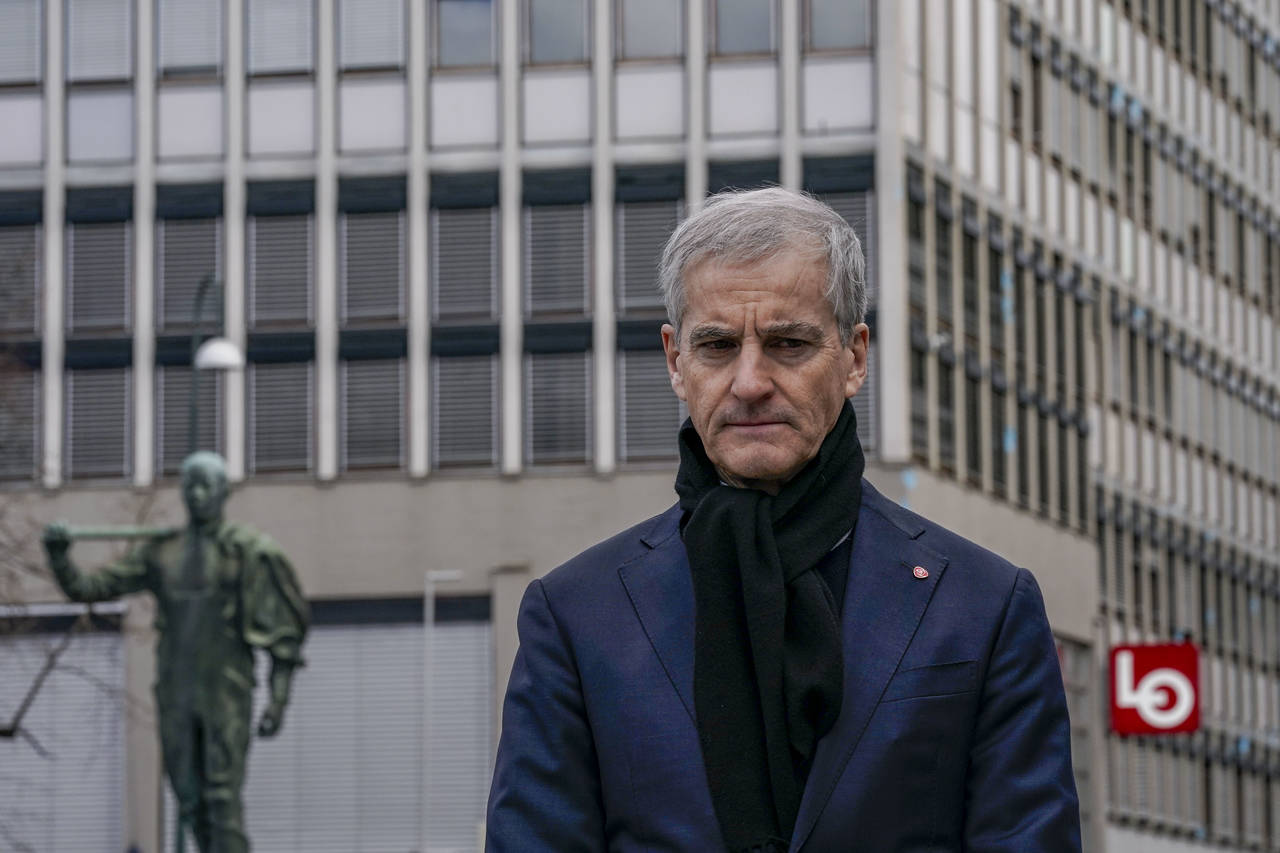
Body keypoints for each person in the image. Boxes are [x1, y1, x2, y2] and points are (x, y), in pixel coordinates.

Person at [486, 187, 1081, 851]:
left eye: (788, 342)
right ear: (675, 361)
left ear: (855, 356)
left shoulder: (985, 606)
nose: (749, 381)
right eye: (715, 345)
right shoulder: (575, 616)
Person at [43, 451, 308, 853]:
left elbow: (282, 635)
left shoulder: (248, 553)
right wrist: (59, 558)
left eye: (207, 485)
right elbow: (90, 589)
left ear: (224, 492)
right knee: (189, 798)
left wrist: (278, 700)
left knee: (222, 798)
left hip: (226, 691)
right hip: (176, 690)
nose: (198, 494)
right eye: (191, 486)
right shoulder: (160, 553)